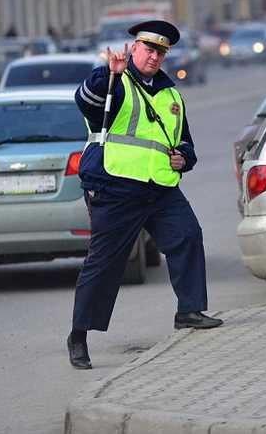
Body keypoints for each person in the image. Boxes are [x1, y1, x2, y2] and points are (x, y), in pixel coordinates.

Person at [67, 20, 223, 370]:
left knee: (188, 236)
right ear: (134, 49)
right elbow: (86, 103)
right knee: (104, 264)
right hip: (116, 186)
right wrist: (107, 74)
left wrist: (184, 158)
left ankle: (189, 311)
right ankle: (78, 336)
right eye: (148, 49)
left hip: (160, 189)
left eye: (160, 52)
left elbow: (185, 142)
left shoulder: (171, 95)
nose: (154, 56)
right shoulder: (114, 83)